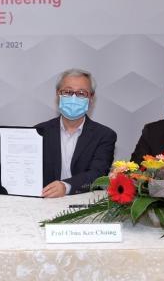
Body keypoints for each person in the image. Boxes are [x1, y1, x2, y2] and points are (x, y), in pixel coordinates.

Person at [35, 69, 117, 197]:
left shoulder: (104, 135)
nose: (73, 98)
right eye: (67, 92)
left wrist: (66, 186)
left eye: (81, 93)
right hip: (44, 200)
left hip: (83, 203)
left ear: (91, 98)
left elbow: (98, 174)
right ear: (58, 94)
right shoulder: (39, 132)